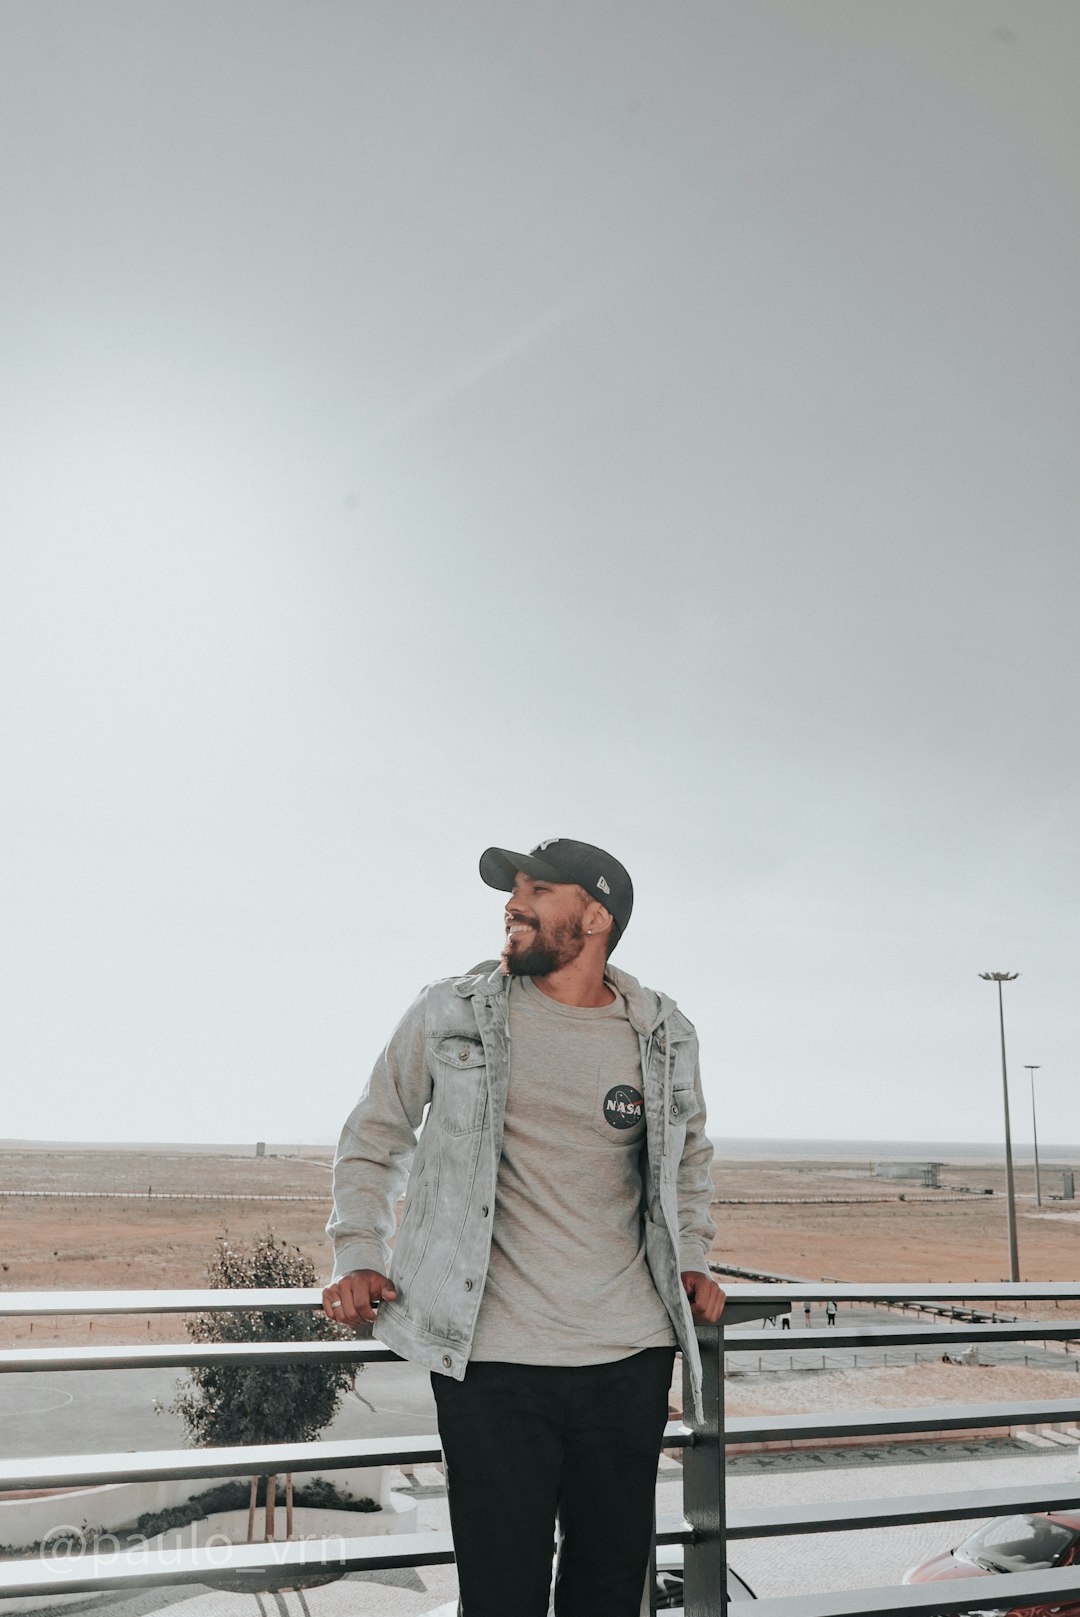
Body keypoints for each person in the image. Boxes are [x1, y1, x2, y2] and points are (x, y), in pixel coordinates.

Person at [322, 837, 724, 1617]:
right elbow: (376, 1132)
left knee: (606, 1596)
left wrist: (696, 1257)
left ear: (596, 915)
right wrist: (358, 1250)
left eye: (539, 888)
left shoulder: (665, 1030)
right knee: (501, 1597)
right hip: (490, 1364)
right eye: (513, 889)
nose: (514, 901)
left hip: (628, 1358)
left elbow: (689, 1160)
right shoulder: (452, 1010)